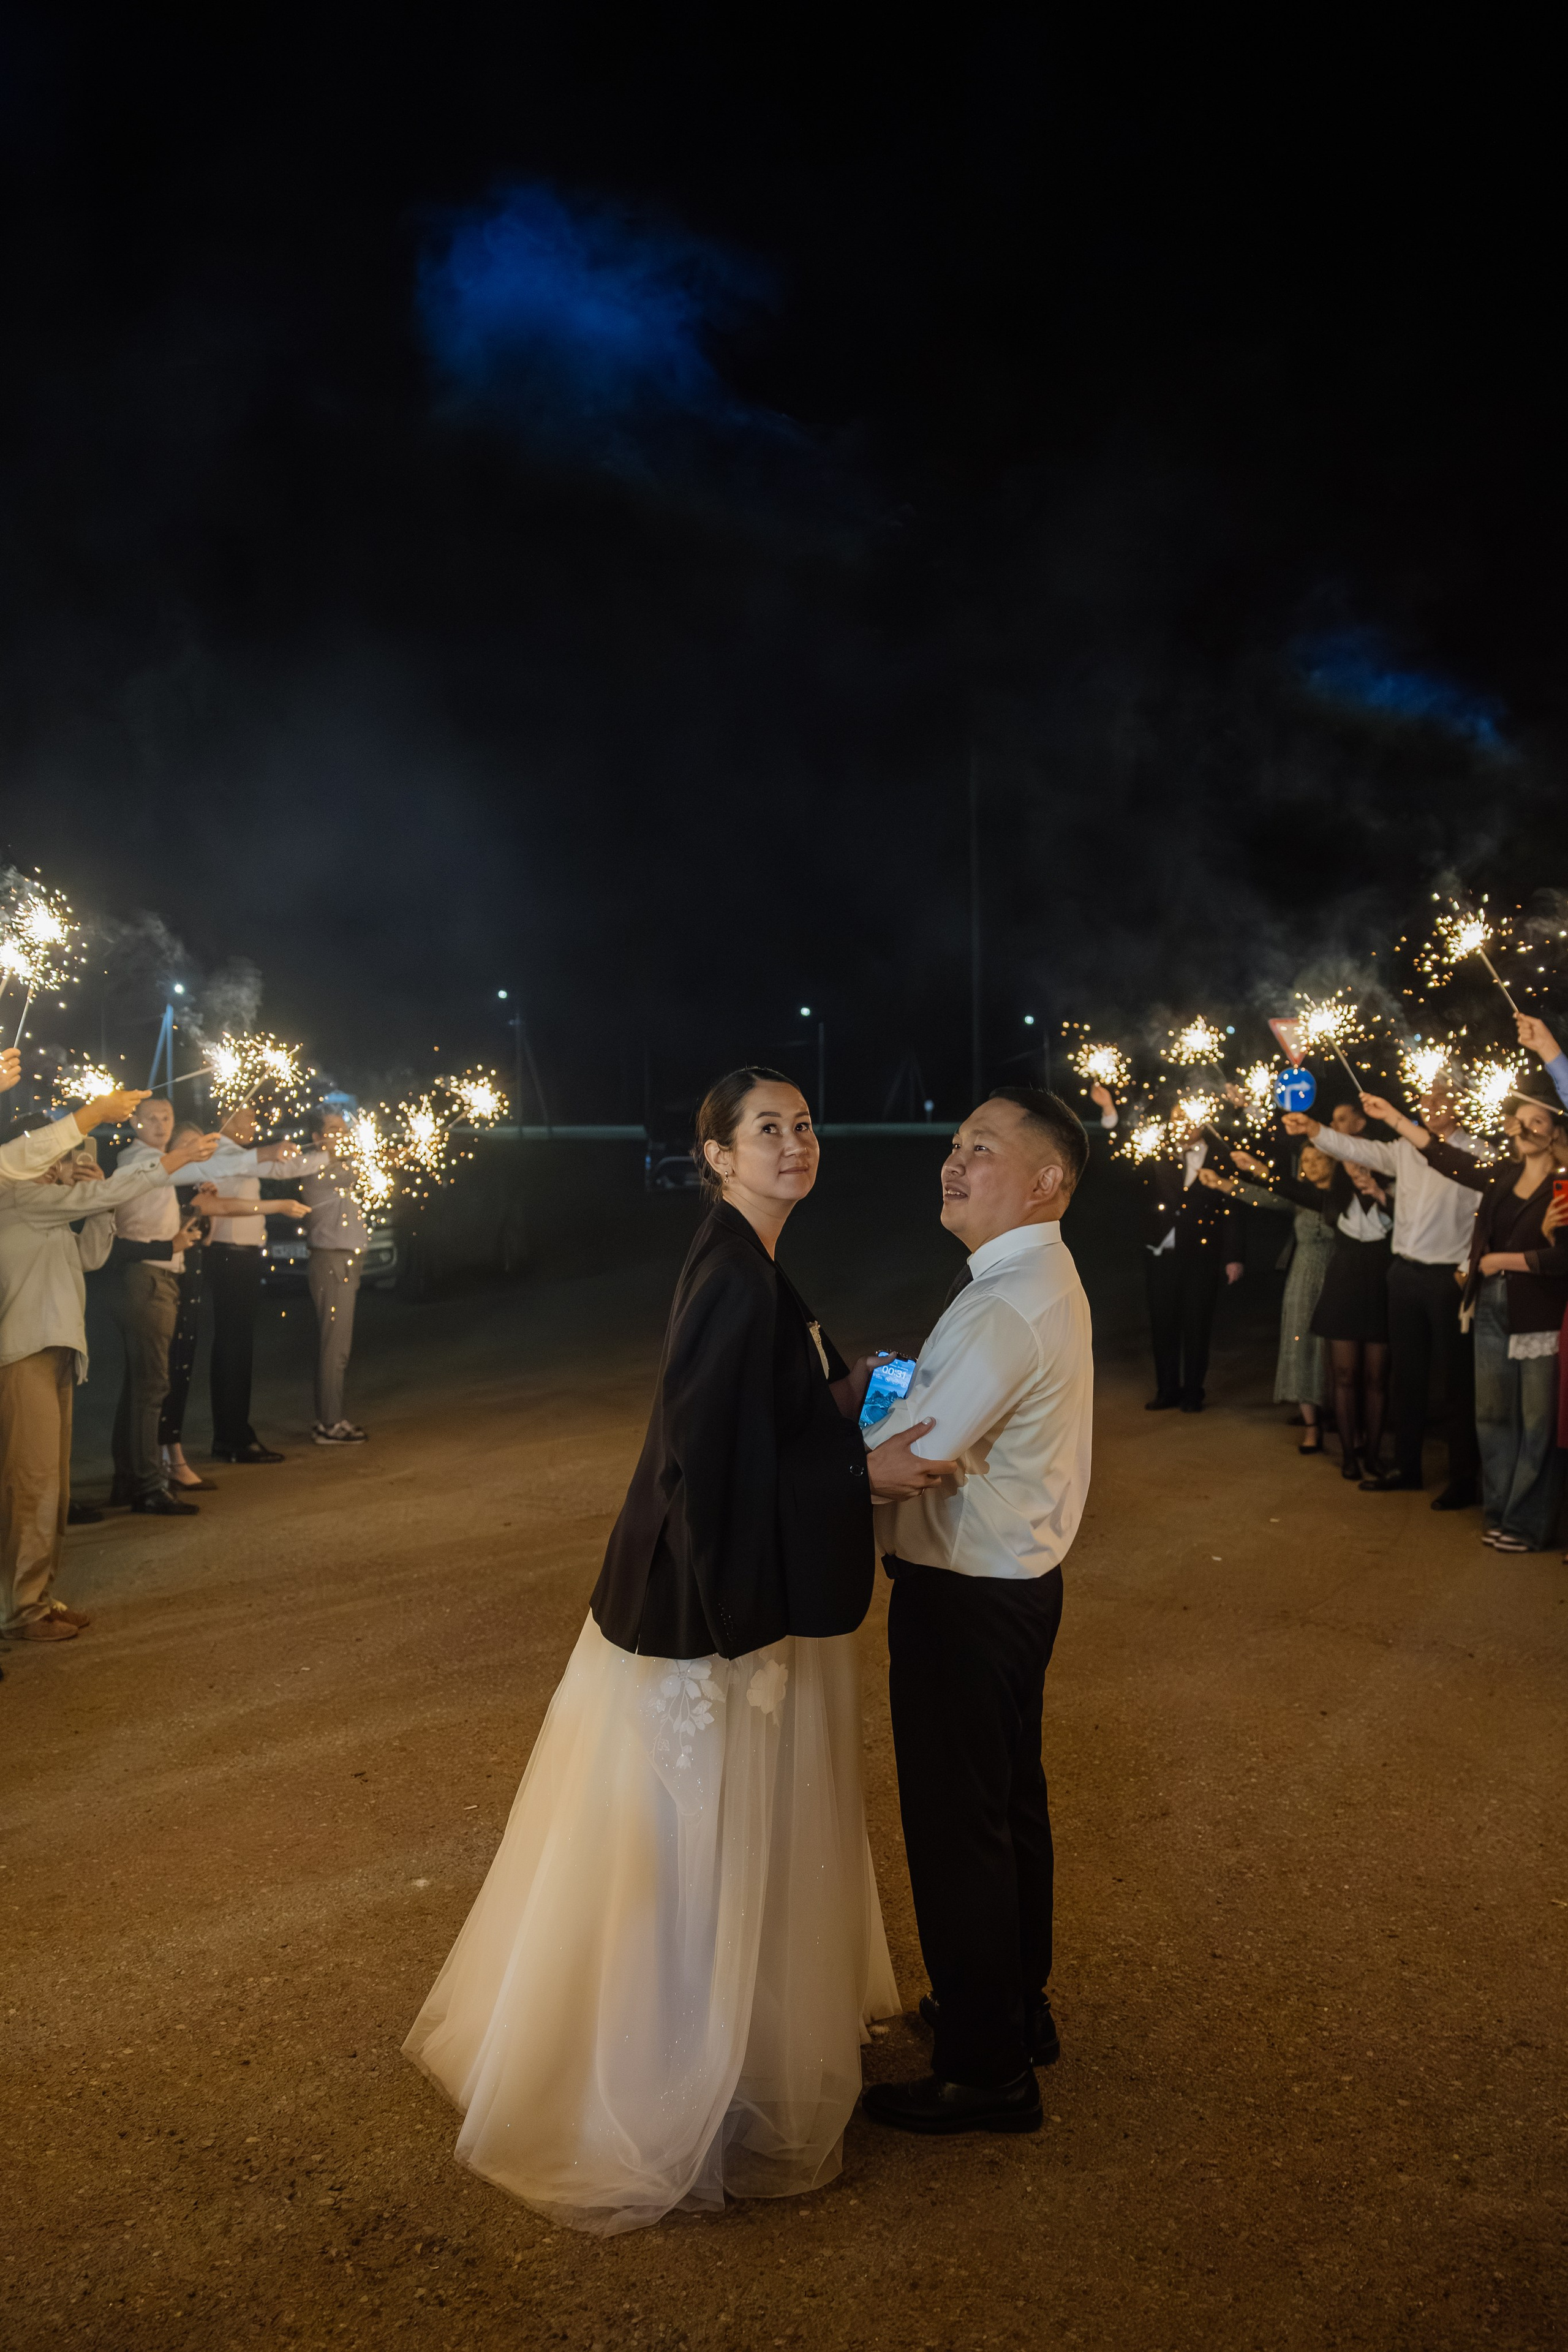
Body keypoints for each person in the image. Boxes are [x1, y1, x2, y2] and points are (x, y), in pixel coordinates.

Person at [404, 1068, 943, 2232]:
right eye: (767, 1129)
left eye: (804, 1125)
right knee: (684, 1851)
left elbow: (752, 1418)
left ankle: (724, 2063)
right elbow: (706, 1456)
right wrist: (861, 1475)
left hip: (704, 1592)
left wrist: (835, 1395)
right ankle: (659, 2095)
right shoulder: (732, 1275)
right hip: (700, 1615)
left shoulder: (754, 1263)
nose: (795, 1144)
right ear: (716, 1154)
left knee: (702, 1847)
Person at [859, 1087, 1093, 2138]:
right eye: (954, 1146)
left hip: (966, 1597)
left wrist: (820, 1460)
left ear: (1047, 1181)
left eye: (983, 1150)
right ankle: (1013, 2009)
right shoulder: (1032, 1276)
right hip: (1015, 1587)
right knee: (1007, 1810)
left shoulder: (1007, 1299)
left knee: (962, 1832)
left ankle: (985, 2065)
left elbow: (913, 1460)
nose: (954, 1164)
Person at [1, 1118, 217, 1643]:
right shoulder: (17, 1198)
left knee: (53, 1482)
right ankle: (20, 1611)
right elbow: (112, 1190)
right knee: (30, 1485)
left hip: (54, 1352)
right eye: (53, 1158)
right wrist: (169, 1162)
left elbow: (92, 1255)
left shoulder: (49, 1209)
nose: (60, 1166)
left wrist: (95, 1203)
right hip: (22, 1354)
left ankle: (38, 1596)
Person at [1359, 1080, 1568, 1551]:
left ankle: (1526, 1524)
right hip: (1490, 1305)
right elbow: (1442, 1156)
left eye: (1542, 1120)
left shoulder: (1565, 1184)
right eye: (1525, 1119)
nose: (1531, 1127)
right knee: (1493, 1416)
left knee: (1536, 1424)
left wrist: (1503, 1261)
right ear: (1513, 1126)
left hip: (1539, 1312)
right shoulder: (1500, 1177)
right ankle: (1497, 1514)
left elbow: (1564, 1260)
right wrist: (1392, 1117)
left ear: (1555, 1131)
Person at [1283, 1072, 1480, 1505]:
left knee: (1454, 1384)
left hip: (1449, 1278)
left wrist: (1468, 1268)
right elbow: (1357, 1149)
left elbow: (1487, 1218)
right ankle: (1406, 1468)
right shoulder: (1405, 1149)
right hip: (1403, 1274)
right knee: (1407, 1380)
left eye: (1442, 1096)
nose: (1431, 1102)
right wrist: (1315, 1129)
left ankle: (1465, 1479)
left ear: (1462, 1103)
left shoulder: (1476, 1152)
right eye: (1427, 1095)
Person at [1091, 1084, 1243, 1413]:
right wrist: (1109, 1111)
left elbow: (1231, 1209)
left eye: (1189, 1118)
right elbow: (1119, 1154)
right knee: (1163, 1323)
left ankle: (1193, 1392)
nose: (1182, 1124)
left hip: (1203, 1254)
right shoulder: (1154, 1149)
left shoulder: (1221, 1154)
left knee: (1197, 1324)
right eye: (1177, 1117)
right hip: (1162, 1253)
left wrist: (1233, 1256)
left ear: (1203, 1121)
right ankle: (1167, 1390)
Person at [106, 1099, 214, 1515]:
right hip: (149, 1280)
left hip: (149, 1278)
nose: (160, 1123)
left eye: (167, 1117)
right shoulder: (144, 1161)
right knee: (152, 1388)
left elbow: (149, 1216)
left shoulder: (154, 1163)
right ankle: (149, 1487)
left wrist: (184, 1219)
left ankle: (130, 1480)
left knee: (141, 1386)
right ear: (134, 1122)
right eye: (151, 1117)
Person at [1198, 1139, 1337, 1453]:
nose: (1310, 1165)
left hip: (1339, 1278)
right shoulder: (1298, 1195)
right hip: (1303, 1277)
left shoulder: (1344, 1195)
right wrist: (1225, 1184)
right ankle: (1311, 1424)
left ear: (1334, 1162)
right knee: (1301, 1344)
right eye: (1305, 1159)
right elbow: (1266, 1196)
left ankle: (1336, 1413)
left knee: (1335, 1351)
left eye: (1318, 1159)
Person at [204, 1104, 323, 1463]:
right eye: (249, 1117)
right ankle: (232, 1436)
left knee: (237, 1346)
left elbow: (285, 1165)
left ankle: (233, 1432)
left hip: (239, 1256)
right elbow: (246, 1163)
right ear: (226, 1119)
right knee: (233, 1347)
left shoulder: (241, 1155)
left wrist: (326, 1154)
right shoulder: (217, 1151)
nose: (255, 1123)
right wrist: (267, 1152)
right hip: (229, 1256)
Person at [299, 1107, 369, 1446]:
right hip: (332, 1263)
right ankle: (330, 1423)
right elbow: (364, 1167)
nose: (340, 1134)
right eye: (332, 1129)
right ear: (317, 1138)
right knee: (335, 1348)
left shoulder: (339, 1167)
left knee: (337, 1345)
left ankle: (329, 1418)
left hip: (343, 1263)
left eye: (343, 1129)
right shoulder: (319, 1169)